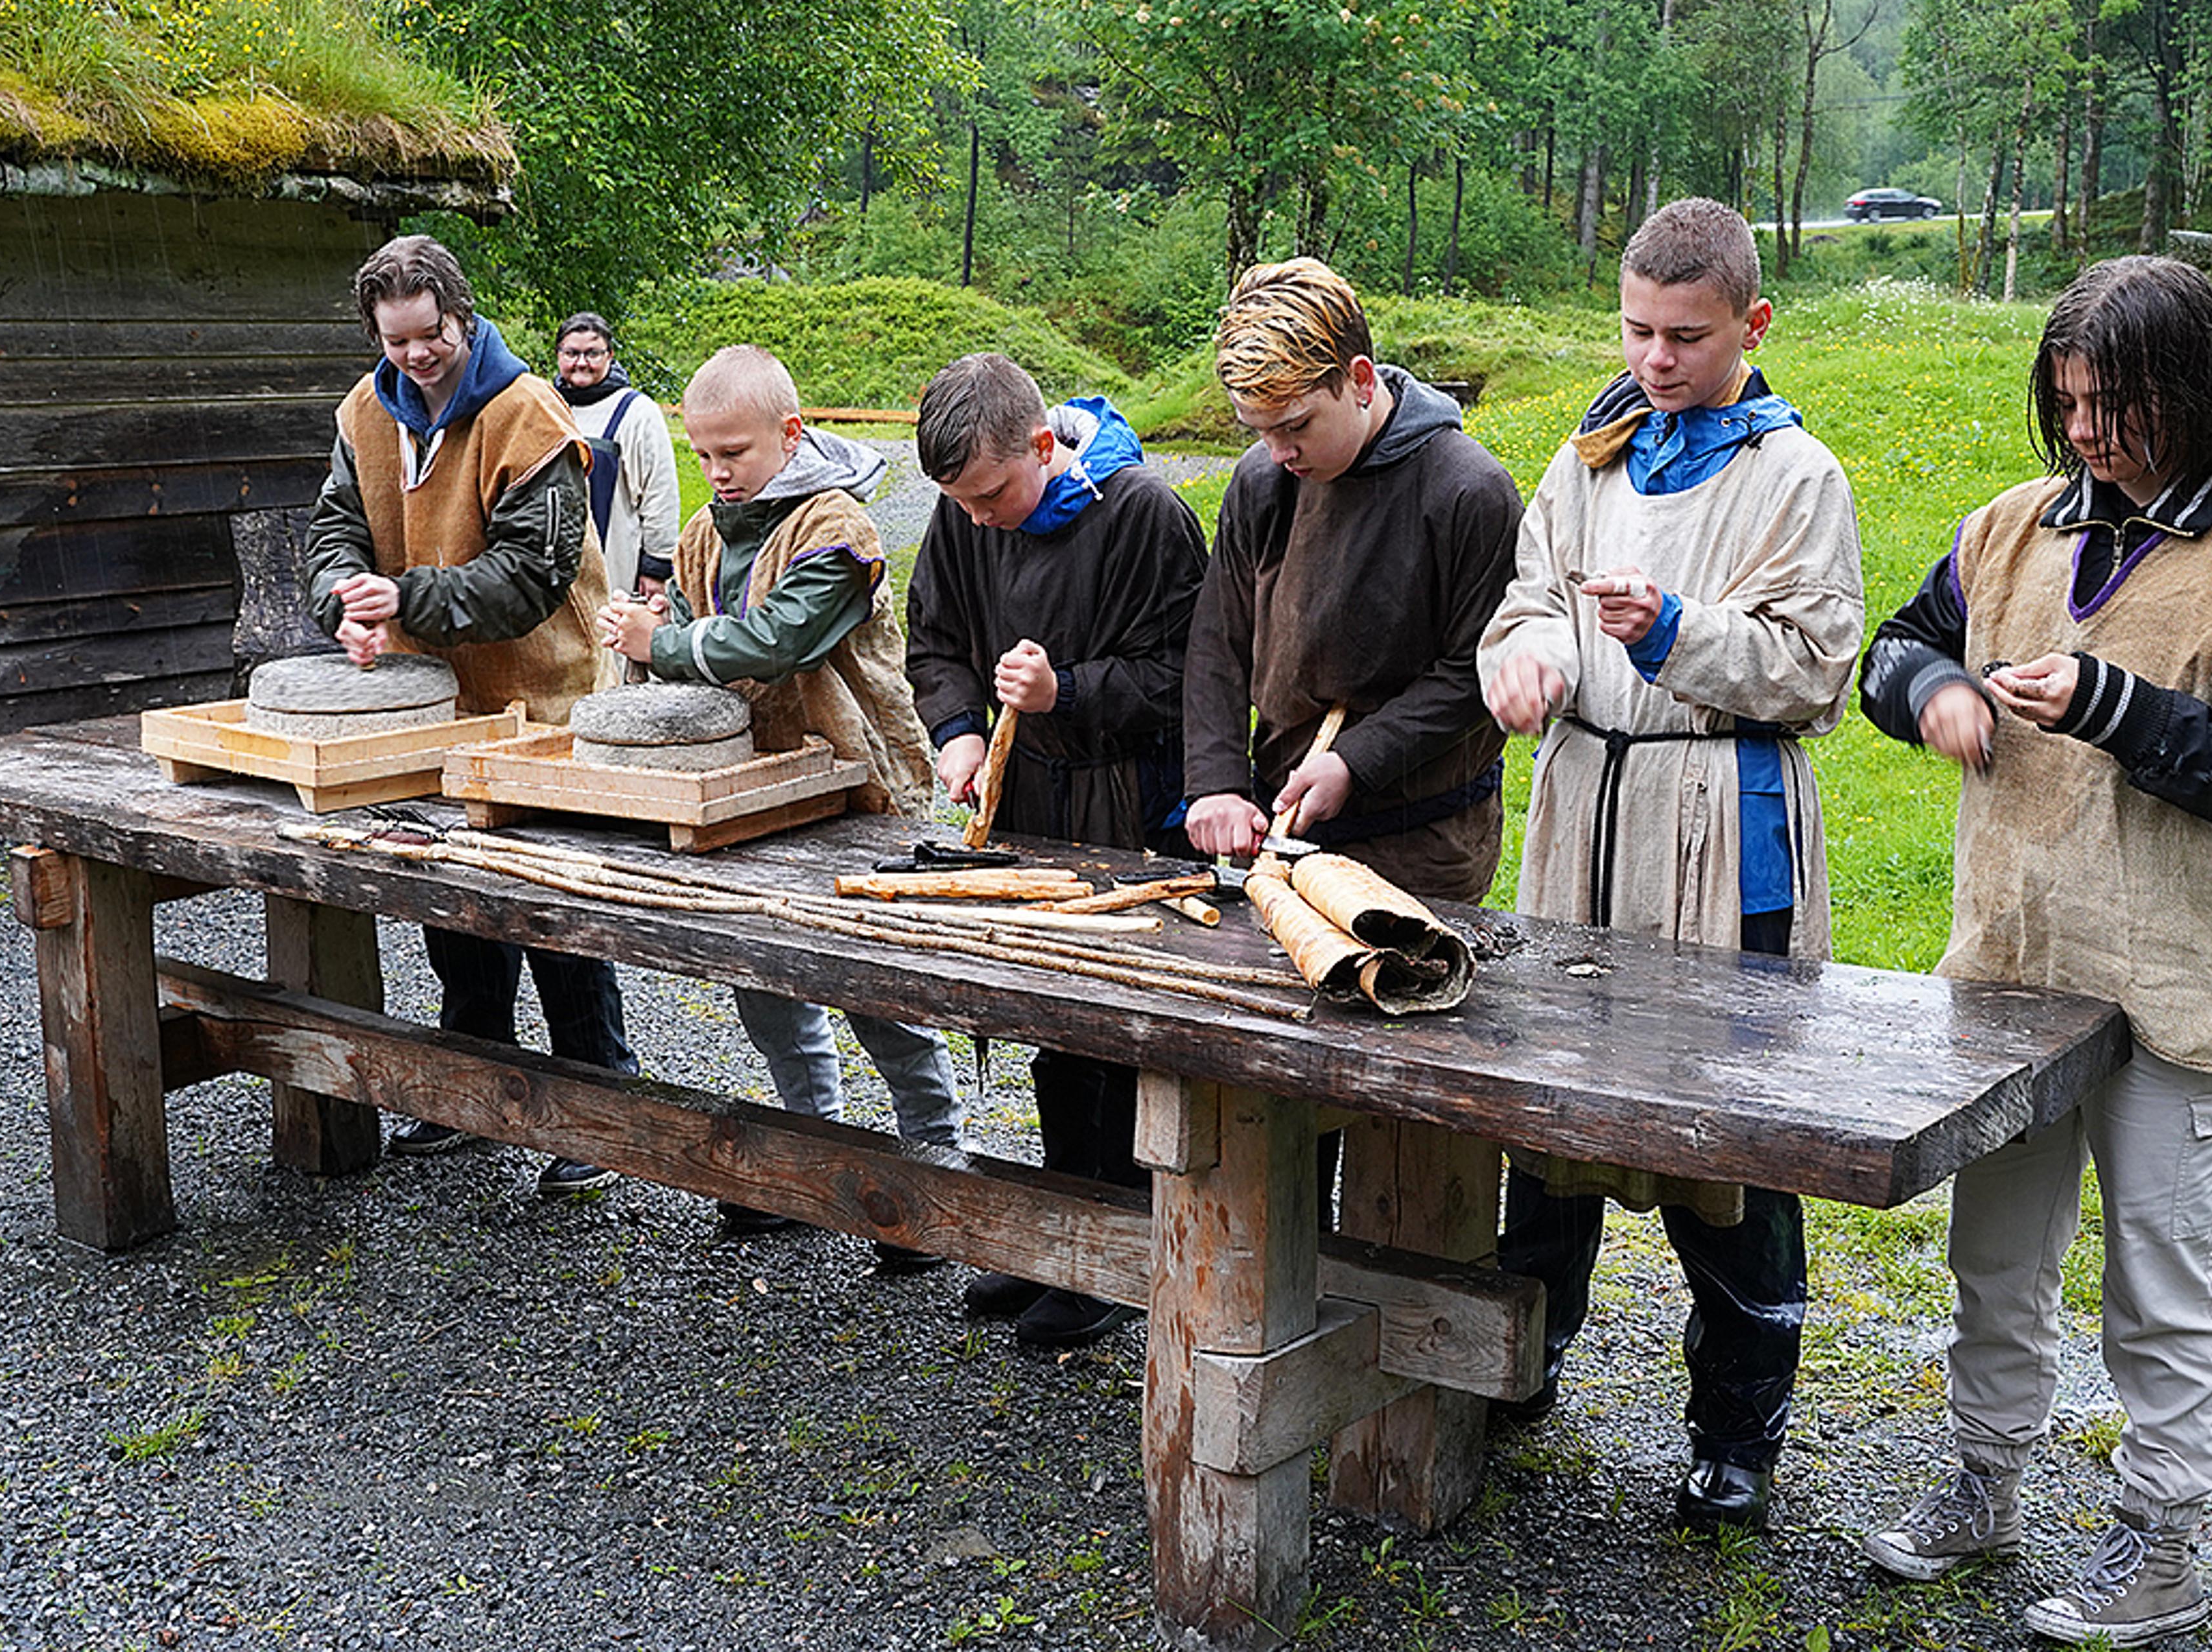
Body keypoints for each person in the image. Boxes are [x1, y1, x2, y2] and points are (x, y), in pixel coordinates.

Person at [1857, 255, 2212, 1644]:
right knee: (1995, 1256)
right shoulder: (2009, 529)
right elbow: (1890, 654)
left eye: (2120, 405)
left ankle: (2162, 1546)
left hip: (2183, 987)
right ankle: (1984, 1488)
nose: (2089, 432)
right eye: (2073, 402)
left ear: (2196, 391)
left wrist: (2111, 703)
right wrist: (1934, 689)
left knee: (2160, 1278)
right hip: (2015, 970)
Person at [1476, 197, 1865, 1531]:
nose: (1655, 358)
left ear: (1754, 325)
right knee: (1550, 1110)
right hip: (1583, 808)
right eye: (1637, 329)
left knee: (1727, 1136)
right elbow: (1531, 595)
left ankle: (1738, 1425)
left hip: (1716, 818)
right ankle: (1520, 1361)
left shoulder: (1796, 477)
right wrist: (1528, 658)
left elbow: (1814, 668)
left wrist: (1674, 629)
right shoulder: (1590, 456)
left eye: (1685, 337)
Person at [600, 344, 962, 1270]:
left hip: (860, 794)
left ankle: (934, 1182)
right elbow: (693, 633)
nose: (717, 472)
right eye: (703, 454)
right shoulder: (702, 532)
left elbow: (777, 642)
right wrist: (657, 635)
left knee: (878, 994)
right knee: (764, 986)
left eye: (735, 453)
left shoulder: (839, 528)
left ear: (791, 434)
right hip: (751, 796)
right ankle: (812, 1164)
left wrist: (661, 642)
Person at [301, 233, 634, 1196]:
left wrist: (403, 597)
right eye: (396, 339)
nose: (416, 354)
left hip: (545, 702)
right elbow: (333, 530)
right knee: (448, 902)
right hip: (434, 704)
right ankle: (473, 1095)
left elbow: (531, 574)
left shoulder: (529, 414)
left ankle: (597, 1108)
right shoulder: (364, 413)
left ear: (462, 315)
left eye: (431, 334)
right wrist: (344, 598)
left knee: (555, 909)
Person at [904, 353, 1208, 1348]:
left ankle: (1117, 1258)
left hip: (1128, 814)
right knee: (1050, 1022)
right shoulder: (965, 509)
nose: (979, 519)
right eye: (962, 502)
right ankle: (1064, 1238)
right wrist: (958, 733)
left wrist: (1063, 691)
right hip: (1027, 809)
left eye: (993, 496)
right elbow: (934, 637)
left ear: (1044, 445)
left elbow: (1191, 678)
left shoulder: (1145, 515)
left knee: (1119, 1033)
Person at [1184, 257, 1522, 901]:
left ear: (1360, 380)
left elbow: (1479, 671)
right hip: (1282, 826)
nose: (1279, 453)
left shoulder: (1467, 492)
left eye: (1296, 426)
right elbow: (1218, 642)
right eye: (1260, 431)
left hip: (1420, 840)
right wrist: (1217, 781)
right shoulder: (1262, 481)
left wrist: (1355, 761)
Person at [553, 312, 681, 602]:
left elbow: (660, 494)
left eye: (593, 354)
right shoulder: (546, 407)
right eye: (572, 353)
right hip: (549, 571)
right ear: (559, 354)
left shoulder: (636, 412)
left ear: (610, 355)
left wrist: (656, 567)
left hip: (614, 569)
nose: (581, 363)